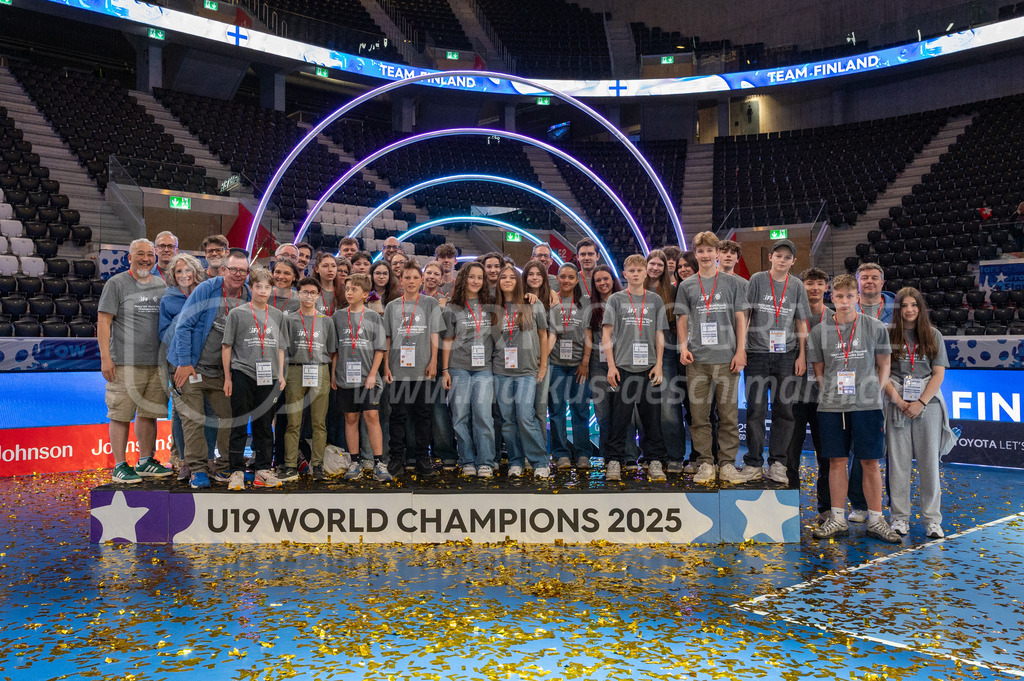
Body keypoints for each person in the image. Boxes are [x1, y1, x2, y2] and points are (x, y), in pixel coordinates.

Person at [809, 274, 901, 543]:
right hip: (831, 407)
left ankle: (876, 519)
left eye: (850, 296)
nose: (845, 301)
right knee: (836, 461)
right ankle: (837, 518)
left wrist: (875, 389)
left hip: (867, 405)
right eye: (839, 297)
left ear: (857, 298)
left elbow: (884, 363)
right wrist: (830, 393)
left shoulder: (874, 327)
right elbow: (819, 371)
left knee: (870, 461)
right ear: (832, 298)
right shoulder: (819, 332)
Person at [169, 249, 251, 489]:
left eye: (243, 270)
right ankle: (197, 469)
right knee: (194, 419)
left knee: (229, 417)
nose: (238, 274)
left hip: (220, 371)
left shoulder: (247, 294)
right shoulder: (207, 289)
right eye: (233, 269)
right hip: (191, 366)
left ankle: (226, 466)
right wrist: (185, 363)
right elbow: (184, 326)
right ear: (223, 269)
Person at [677, 231, 748, 485]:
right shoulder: (687, 286)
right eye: (700, 251)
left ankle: (727, 463)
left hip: (726, 358)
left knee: (729, 415)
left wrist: (741, 350)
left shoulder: (734, 283)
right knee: (699, 416)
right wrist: (683, 346)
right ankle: (705, 462)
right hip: (697, 361)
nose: (705, 255)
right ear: (695, 255)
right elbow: (682, 319)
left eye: (710, 250)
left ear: (718, 253)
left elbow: (741, 318)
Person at [98, 238, 171, 483]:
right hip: (125, 364)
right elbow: (104, 322)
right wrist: (105, 358)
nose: (146, 259)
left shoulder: (161, 284)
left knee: (149, 414)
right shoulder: (116, 283)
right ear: (129, 257)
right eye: (140, 254)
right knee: (121, 414)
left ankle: (145, 461)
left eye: (150, 254)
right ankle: (119, 465)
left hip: (156, 363)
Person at [882, 287, 952, 539]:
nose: (909, 310)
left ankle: (932, 520)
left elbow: (939, 373)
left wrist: (920, 402)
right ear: (898, 309)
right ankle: (899, 518)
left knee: (929, 465)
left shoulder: (933, 334)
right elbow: (884, 374)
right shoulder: (888, 335)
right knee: (898, 465)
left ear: (920, 308)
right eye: (904, 305)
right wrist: (900, 402)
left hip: (928, 406)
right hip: (897, 404)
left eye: (914, 305)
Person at [741, 239, 810, 483]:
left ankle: (778, 463)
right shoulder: (758, 280)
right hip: (757, 354)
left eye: (787, 257)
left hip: (787, 356)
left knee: (785, 411)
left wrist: (802, 354)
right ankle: (753, 463)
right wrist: (741, 348)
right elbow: (745, 314)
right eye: (778, 255)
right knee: (755, 410)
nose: (782, 260)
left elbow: (801, 321)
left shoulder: (797, 286)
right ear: (770, 257)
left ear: (793, 261)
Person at [221, 267, 287, 490]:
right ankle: (237, 471)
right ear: (250, 288)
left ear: (272, 289)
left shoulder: (277, 315)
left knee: (264, 426)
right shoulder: (237, 313)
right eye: (258, 286)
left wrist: (281, 375)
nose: (263, 290)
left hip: (269, 377)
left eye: (267, 287)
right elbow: (227, 347)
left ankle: (262, 470)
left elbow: (280, 348)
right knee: (239, 423)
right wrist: (228, 377)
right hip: (243, 373)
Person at [603, 254, 668, 482]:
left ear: (646, 273)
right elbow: (607, 335)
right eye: (631, 271)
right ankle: (614, 461)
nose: (636, 274)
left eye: (640, 270)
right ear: (624, 274)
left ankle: (655, 460)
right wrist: (611, 366)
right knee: (619, 419)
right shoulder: (616, 300)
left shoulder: (656, 300)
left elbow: (660, 334)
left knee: (652, 419)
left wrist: (659, 364)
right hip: (623, 368)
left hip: (649, 368)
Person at [383, 261, 442, 477]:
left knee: (423, 416)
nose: (411, 281)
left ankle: (422, 459)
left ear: (421, 280)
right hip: (397, 371)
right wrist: (387, 366)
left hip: (422, 370)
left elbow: (435, 333)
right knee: (397, 416)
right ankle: (397, 458)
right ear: (401, 281)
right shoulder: (391, 307)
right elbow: (387, 338)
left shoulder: (430, 304)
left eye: (415, 278)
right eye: (406, 277)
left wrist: (434, 360)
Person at [847, 261, 895, 522]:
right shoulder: (847, 308)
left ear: (882, 283)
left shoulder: (896, 309)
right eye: (864, 277)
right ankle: (859, 504)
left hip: (892, 384)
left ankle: (890, 504)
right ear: (857, 282)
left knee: (892, 449)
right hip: (858, 387)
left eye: (874, 278)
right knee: (859, 448)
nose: (869, 282)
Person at [492, 264, 549, 478]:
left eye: (512, 277)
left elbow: (543, 335)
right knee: (508, 419)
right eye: (503, 277)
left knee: (526, 416)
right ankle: (515, 461)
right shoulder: (494, 307)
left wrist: (542, 365)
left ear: (518, 281)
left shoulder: (532, 304)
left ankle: (540, 461)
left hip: (527, 370)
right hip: (501, 371)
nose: (507, 280)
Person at [331, 273, 390, 481]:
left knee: (372, 416)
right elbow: (335, 350)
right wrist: (333, 375)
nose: (349, 292)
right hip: (345, 377)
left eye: (354, 289)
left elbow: (380, 349)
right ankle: (355, 461)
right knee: (351, 417)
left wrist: (374, 373)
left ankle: (379, 463)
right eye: (347, 289)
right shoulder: (338, 316)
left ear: (365, 294)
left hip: (368, 377)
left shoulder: (373, 317)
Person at [442, 262, 495, 477]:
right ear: (464, 279)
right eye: (472, 277)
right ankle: (467, 460)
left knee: (483, 415)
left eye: (480, 278)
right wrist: (445, 370)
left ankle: (486, 461)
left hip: (484, 368)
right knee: (460, 416)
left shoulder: (490, 306)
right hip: (458, 367)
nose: (476, 281)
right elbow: (446, 341)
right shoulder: (452, 308)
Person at [281, 277, 337, 481]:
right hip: (295, 370)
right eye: (304, 292)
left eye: (313, 292)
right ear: (298, 293)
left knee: (319, 422)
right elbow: (284, 349)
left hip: (320, 369)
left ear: (318, 295)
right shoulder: (289, 319)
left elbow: (332, 351)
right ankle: (289, 464)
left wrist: (331, 376)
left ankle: (318, 465)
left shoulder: (326, 321)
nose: (308, 296)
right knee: (293, 421)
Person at [159, 253, 207, 482]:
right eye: (178, 271)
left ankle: (207, 459)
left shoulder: (208, 293)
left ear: (196, 272)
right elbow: (165, 335)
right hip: (178, 361)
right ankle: (185, 461)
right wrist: (186, 314)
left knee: (208, 411)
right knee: (182, 413)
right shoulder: (169, 299)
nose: (184, 275)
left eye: (188, 270)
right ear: (173, 275)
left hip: (207, 361)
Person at [788, 267, 830, 518]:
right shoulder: (792, 316)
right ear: (801, 286)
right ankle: (789, 505)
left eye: (819, 283)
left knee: (826, 456)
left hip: (825, 398)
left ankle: (826, 508)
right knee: (790, 455)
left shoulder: (836, 317)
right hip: (793, 395)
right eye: (809, 283)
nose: (814, 288)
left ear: (827, 288)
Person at [548, 263, 592, 470]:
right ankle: (561, 453)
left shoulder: (585, 303)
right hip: (556, 363)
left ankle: (583, 453)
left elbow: (589, 335)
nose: (566, 280)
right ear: (557, 278)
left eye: (571, 277)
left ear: (577, 280)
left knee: (580, 409)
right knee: (556, 409)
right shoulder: (551, 300)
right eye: (563, 276)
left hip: (578, 365)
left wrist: (585, 362)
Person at [646, 249, 686, 474]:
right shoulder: (635, 290)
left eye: (659, 265)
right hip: (639, 353)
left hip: (668, 352)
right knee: (646, 408)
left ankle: (674, 456)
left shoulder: (672, 291)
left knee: (669, 408)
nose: (655, 268)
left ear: (665, 268)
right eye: (652, 263)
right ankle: (653, 455)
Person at [586, 265, 631, 462]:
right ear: (594, 285)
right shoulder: (590, 306)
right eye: (598, 280)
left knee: (625, 414)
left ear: (613, 279)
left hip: (623, 363)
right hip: (599, 365)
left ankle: (629, 456)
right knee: (602, 415)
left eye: (606, 278)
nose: (603, 283)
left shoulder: (625, 301)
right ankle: (608, 458)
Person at [420, 260, 457, 469]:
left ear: (442, 279)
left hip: (438, 361)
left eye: (437, 274)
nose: (432, 276)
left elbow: (449, 335)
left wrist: (444, 367)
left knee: (438, 409)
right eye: (429, 272)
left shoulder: (446, 303)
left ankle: (446, 452)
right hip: (414, 362)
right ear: (423, 275)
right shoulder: (413, 300)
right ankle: (417, 453)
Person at [313, 252, 342, 317]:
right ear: (316, 269)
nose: (330, 270)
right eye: (325, 266)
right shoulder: (311, 292)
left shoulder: (343, 292)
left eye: (333, 266)